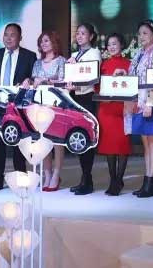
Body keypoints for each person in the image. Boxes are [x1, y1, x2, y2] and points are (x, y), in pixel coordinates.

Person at [0, 23, 37, 191]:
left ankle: (21, 180)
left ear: (20, 38)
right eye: (6, 35)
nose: (8, 38)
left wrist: (29, 80)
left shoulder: (29, 56)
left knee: (19, 143)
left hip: (18, 106)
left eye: (12, 35)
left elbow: (34, 77)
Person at [120, 20, 153, 198]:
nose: (141, 37)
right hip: (138, 103)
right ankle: (147, 180)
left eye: (145, 33)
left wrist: (150, 103)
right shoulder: (139, 53)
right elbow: (135, 76)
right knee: (146, 143)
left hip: (151, 102)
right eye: (139, 33)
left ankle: (151, 181)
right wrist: (124, 74)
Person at [67, 23, 102, 195]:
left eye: (83, 33)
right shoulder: (74, 55)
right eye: (77, 33)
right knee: (78, 137)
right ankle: (84, 178)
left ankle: (87, 179)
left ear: (91, 36)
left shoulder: (94, 53)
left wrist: (74, 68)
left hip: (87, 98)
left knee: (87, 137)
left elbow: (91, 77)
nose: (79, 36)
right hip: (75, 98)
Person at [30, 31, 66, 191]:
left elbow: (64, 83)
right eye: (41, 41)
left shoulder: (61, 61)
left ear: (54, 42)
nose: (43, 44)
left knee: (57, 142)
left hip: (56, 105)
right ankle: (47, 174)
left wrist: (46, 81)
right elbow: (33, 83)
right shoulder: (37, 63)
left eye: (47, 40)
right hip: (39, 105)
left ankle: (56, 175)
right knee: (43, 141)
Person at [96, 33, 131, 196]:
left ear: (122, 45)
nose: (111, 47)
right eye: (109, 44)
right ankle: (113, 180)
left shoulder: (129, 64)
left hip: (123, 109)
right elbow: (97, 87)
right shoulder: (103, 65)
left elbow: (132, 85)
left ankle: (119, 179)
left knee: (122, 146)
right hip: (106, 109)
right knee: (109, 146)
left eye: (115, 43)